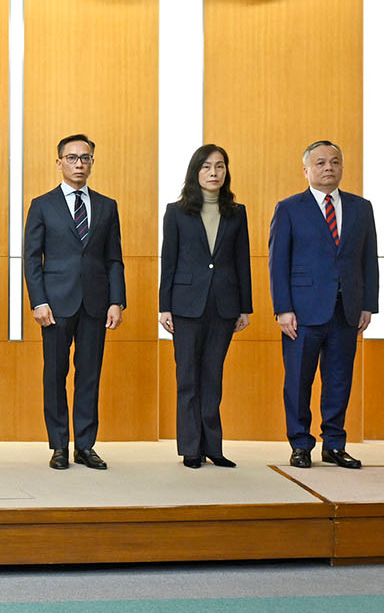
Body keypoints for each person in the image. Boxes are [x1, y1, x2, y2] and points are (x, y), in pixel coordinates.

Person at [268, 140, 377, 470]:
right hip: (301, 312)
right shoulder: (289, 208)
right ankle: (300, 443)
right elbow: (277, 262)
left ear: (342, 167)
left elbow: (368, 260)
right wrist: (283, 308)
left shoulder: (361, 207)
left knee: (339, 379)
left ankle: (334, 443)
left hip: (347, 310)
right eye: (320, 163)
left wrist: (368, 305)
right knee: (299, 380)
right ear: (306, 170)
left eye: (334, 162)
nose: (328, 167)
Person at [24, 134, 124, 471]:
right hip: (54, 304)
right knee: (55, 374)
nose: (78, 164)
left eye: (85, 158)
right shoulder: (42, 204)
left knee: (90, 375)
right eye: (71, 158)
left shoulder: (107, 206)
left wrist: (116, 301)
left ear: (93, 162)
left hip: (96, 304)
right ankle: (59, 446)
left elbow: (114, 259)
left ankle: (85, 444)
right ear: (59, 163)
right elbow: (30, 258)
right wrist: (38, 300)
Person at [158, 144, 251, 469]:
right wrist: (164, 305)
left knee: (213, 376)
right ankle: (190, 448)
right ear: (195, 172)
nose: (214, 173)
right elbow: (168, 261)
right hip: (185, 306)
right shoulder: (176, 211)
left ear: (226, 172)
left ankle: (213, 445)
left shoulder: (236, 212)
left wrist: (246, 307)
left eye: (220, 167)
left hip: (224, 306)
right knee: (187, 377)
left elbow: (243, 262)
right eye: (207, 167)